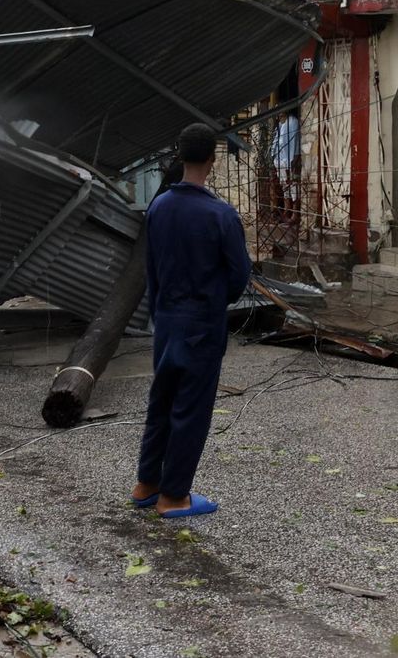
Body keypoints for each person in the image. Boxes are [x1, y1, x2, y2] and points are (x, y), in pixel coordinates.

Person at [131, 124, 252, 519]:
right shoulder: (221, 215)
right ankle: (174, 496)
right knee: (191, 409)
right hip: (201, 323)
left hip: (165, 319)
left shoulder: (159, 207)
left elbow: (150, 269)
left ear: (180, 156)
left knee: (161, 402)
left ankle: (146, 484)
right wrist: (215, 301)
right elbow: (239, 276)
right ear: (212, 161)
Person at [273, 110, 301, 225]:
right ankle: (286, 210)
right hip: (281, 161)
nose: (279, 116)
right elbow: (276, 143)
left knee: (293, 185)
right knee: (285, 186)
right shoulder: (279, 125)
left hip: (291, 159)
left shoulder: (293, 122)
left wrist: (294, 159)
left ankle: (295, 214)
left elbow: (294, 142)